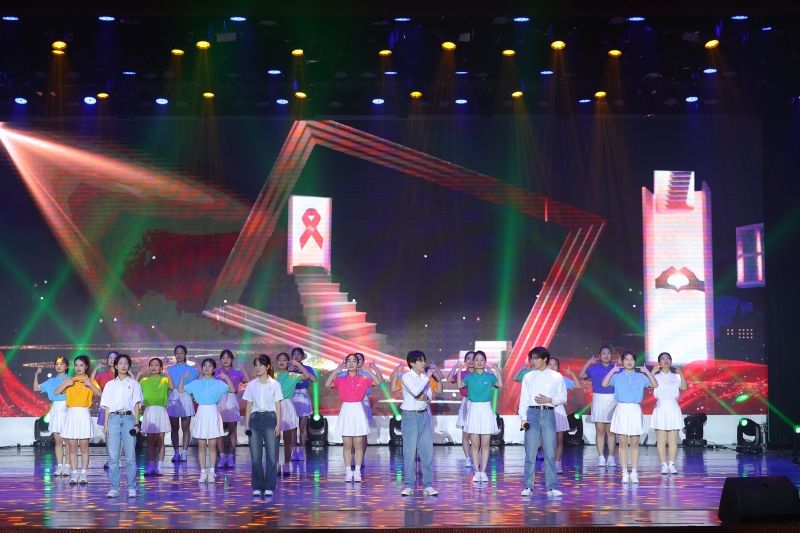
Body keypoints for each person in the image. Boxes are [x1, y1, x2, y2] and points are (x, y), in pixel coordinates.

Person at [602, 350, 657, 484]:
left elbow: (655, 385)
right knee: (622, 443)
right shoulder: (617, 376)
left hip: (634, 409)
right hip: (621, 409)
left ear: (635, 361)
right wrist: (613, 370)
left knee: (634, 443)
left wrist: (647, 371)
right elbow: (604, 384)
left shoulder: (641, 377)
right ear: (622, 361)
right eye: (626, 359)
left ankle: (634, 472)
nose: (629, 361)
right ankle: (625, 473)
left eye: (632, 359)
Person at [325, 353, 382, 482]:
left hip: (358, 409)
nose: (351, 363)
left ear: (358, 364)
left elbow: (378, 382)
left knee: (358, 444)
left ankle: (357, 472)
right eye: (348, 361)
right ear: (345, 364)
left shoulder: (363, 378)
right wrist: (336, 371)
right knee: (346, 444)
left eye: (354, 361)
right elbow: (328, 384)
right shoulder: (341, 379)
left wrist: (368, 370)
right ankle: (347, 472)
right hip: (346, 410)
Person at [518, 347, 566, 498]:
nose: (532, 361)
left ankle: (552, 487)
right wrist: (523, 418)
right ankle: (528, 486)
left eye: (535, 358)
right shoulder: (528, 377)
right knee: (530, 452)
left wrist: (549, 400)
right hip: (532, 413)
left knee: (550, 452)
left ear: (544, 359)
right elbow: (524, 399)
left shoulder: (556, 377)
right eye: (531, 358)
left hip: (548, 413)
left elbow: (563, 397)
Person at [180, 358, 234, 483]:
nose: (207, 368)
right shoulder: (196, 383)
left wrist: (226, 378)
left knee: (213, 445)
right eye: (205, 366)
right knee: (202, 444)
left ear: (214, 369)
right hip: (202, 412)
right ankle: (203, 472)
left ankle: (212, 472)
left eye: (210, 366)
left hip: (213, 412)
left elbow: (232, 389)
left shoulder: (218, 383)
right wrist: (183, 378)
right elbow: (181, 389)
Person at [100, 354, 144, 498]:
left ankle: (131, 486)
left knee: (130, 456)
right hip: (113, 419)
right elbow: (107, 406)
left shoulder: (135, 384)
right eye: (120, 363)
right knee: (113, 456)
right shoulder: (110, 385)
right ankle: (114, 487)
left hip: (129, 419)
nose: (123, 366)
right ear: (115, 366)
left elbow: (136, 405)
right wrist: (106, 424)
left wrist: (137, 424)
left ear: (129, 366)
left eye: (126, 363)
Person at [55, 355, 102, 485]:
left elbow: (101, 394)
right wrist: (66, 384)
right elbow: (56, 392)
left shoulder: (90, 381)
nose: (78, 368)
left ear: (86, 366)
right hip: (71, 414)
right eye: (76, 365)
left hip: (84, 414)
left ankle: (84, 474)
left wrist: (90, 385)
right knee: (72, 448)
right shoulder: (70, 380)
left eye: (81, 365)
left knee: (84, 448)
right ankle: (74, 473)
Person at [457, 351, 502, 483]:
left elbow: (500, 384)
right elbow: (460, 385)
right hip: (473, 410)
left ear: (485, 362)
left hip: (486, 409)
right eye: (476, 359)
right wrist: (459, 371)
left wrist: (497, 370)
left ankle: (483, 472)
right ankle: (477, 472)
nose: (479, 362)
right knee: (475, 444)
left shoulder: (490, 377)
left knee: (485, 444)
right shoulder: (469, 377)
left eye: (482, 360)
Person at [243, 354, 283, 498]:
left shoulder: (275, 384)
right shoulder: (251, 384)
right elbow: (249, 405)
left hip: (270, 418)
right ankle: (257, 486)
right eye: (256, 365)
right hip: (255, 420)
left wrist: (278, 425)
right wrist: (247, 424)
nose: (258, 368)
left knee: (271, 456)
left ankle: (269, 486)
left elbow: (278, 406)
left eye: (261, 365)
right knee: (255, 456)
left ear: (268, 367)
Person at [399, 350, 438, 497]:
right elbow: (416, 392)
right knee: (410, 452)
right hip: (410, 416)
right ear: (412, 363)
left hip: (424, 415)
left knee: (427, 451)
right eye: (420, 361)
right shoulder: (406, 377)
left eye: (424, 360)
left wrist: (425, 396)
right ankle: (409, 485)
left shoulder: (424, 378)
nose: (423, 363)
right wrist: (426, 380)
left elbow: (428, 397)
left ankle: (428, 485)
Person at [274, 352, 316, 475]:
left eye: (284, 360)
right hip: (274, 406)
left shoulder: (293, 376)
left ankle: (287, 464)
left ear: (288, 362)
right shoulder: (272, 376)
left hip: (287, 405)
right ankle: (276, 464)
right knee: (275, 438)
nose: (282, 362)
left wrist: (298, 365)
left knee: (288, 438)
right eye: (279, 360)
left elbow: (307, 376)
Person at [579, 346, 619, 467]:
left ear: (611, 355)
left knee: (611, 432)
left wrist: (621, 364)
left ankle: (611, 457)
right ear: (599, 355)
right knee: (600, 431)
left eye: (608, 353)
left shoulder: (616, 368)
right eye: (603, 353)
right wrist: (588, 362)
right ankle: (601, 457)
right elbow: (581, 375)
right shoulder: (594, 368)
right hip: (599, 399)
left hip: (613, 399)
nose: (606, 355)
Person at [33, 356, 70, 476]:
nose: (59, 366)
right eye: (57, 364)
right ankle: (59, 466)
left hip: (68, 409)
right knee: (58, 441)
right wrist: (36, 374)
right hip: (56, 409)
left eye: (61, 364)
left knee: (68, 441)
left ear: (66, 366)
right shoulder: (50, 381)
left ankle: (68, 466)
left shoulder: (70, 379)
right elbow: (36, 388)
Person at [651, 352, 687, 475]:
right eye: (663, 358)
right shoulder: (656, 376)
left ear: (671, 362)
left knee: (673, 440)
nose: (665, 360)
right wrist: (652, 372)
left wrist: (681, 373)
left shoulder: (675, 376)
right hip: (660, 408)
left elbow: (684, 387)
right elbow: (649, 385)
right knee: (661, 440)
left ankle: (671, 464)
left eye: (668, 359)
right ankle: (663, 465)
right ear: (659, 362)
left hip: (673, 407)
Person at [547, 357, 583, 474]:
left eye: (554, 365)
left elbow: (578, 386)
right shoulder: (542, 379)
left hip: (558, 410)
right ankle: (549, 463)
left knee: (559, 439)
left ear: (558, 367)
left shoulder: (562, 379)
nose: (552, 367)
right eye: (550, 364)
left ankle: (557, 464)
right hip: (546, 410)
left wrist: (571, 373)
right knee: (547, 439)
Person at [214, 349, 248, 469]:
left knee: (232, 430)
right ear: (220, 360)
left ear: (232, 360)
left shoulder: (236, 372)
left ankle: (231, 456)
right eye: (223, 358)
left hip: (232, 399)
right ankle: (222, 456)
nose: (226, 360)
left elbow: (248, 380)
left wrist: (242, 368)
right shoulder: (216, 372)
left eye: (228, 358)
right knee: (219, 430)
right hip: (219, 400)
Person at [138, 358, 173, 476]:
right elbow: (135, 388)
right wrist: (139, 374)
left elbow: (171, 387)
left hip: (161, 411)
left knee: (161, 440)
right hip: (149, 410)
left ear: (161, 368)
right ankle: (151, 466)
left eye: (157, 365)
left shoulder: (164, 379)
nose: (154, 367)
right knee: (150, 440)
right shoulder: (144, 381)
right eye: (151, 365)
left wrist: (167, 373)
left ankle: (159, 467)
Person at [166, 345, 198, 463]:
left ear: (185, 354)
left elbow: (198, 378)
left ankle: (184, 452)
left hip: (185, 396)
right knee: (174, 427)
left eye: (181, 353)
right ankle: (176, 452)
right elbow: (168, 385)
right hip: (174, 396)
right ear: (174, 355)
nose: (179, 355)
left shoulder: (191, 369)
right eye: (177, 353)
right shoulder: (169, 369)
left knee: (185, 427)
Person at [447, 350, 475, 468]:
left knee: (477, 433)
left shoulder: (481, 374)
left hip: (479, 403)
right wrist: (456, 367)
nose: (471, 361)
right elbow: (449, 379)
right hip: (467, 402)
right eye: (468, 358)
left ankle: (476, 458)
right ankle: (468, 459)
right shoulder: (462, 374)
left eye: (473, 358)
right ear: (465, 361)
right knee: (466, 434)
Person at [92, 351, 118, 470]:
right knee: (108, 434)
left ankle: (117, 458)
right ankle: (111, 458)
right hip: (106, 407)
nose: (112, 360)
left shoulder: (122, 374)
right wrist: (96, 369)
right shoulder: (102, 375)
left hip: (119, 407)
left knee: (118, 433)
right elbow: (91, 382)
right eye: (110, 358)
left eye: (114, 358)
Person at [289, 347, 316, 461]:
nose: (296, 356)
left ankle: (301, 451)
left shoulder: (307, 368)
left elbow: (314, 379)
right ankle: (293, 451)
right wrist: (290, 370)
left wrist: (300, 368)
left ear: (302, 356)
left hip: (303, 396)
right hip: (291, 396)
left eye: (299, 354)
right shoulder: (289, 369)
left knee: (302, 426)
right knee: (292, 427)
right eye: (294, 354)